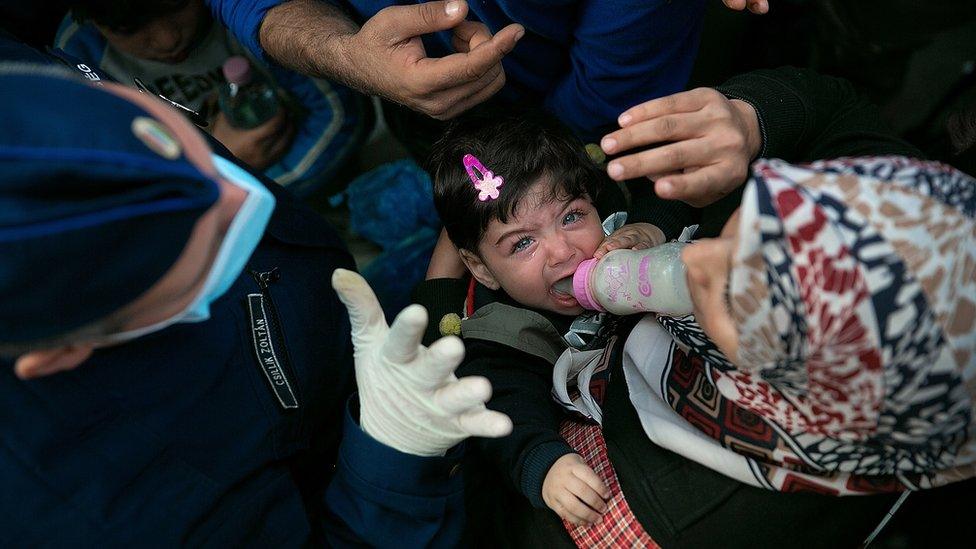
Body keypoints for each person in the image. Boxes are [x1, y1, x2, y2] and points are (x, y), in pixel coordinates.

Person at [0, 42, 512, 546]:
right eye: (189, 250)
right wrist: (392, 458)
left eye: (164, 145)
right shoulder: (99, 518)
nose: (245, 194)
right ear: (62, 351)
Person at [417, 112, 667, 527]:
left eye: (571, 217)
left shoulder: (616, 221)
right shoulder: (504, 332)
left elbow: (673, 191)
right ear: (480, 268)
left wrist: (652, 230)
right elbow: (503, 408)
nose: (563, 251)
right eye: (523, 244)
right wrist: (544, 463)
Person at [206, 0, 708, 142]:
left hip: (610, 123)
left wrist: (524, 163)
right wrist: (346, 54)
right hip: (417, 118)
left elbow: (614, 86)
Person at [55, 0, 370, 198]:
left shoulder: (250, 16)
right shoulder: (79, 56)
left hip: (312, 179)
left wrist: (256, 188)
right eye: (129, 29)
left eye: (177, 5)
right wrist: (223, 173)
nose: (168, 38)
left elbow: (337, 113)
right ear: (93, 22)